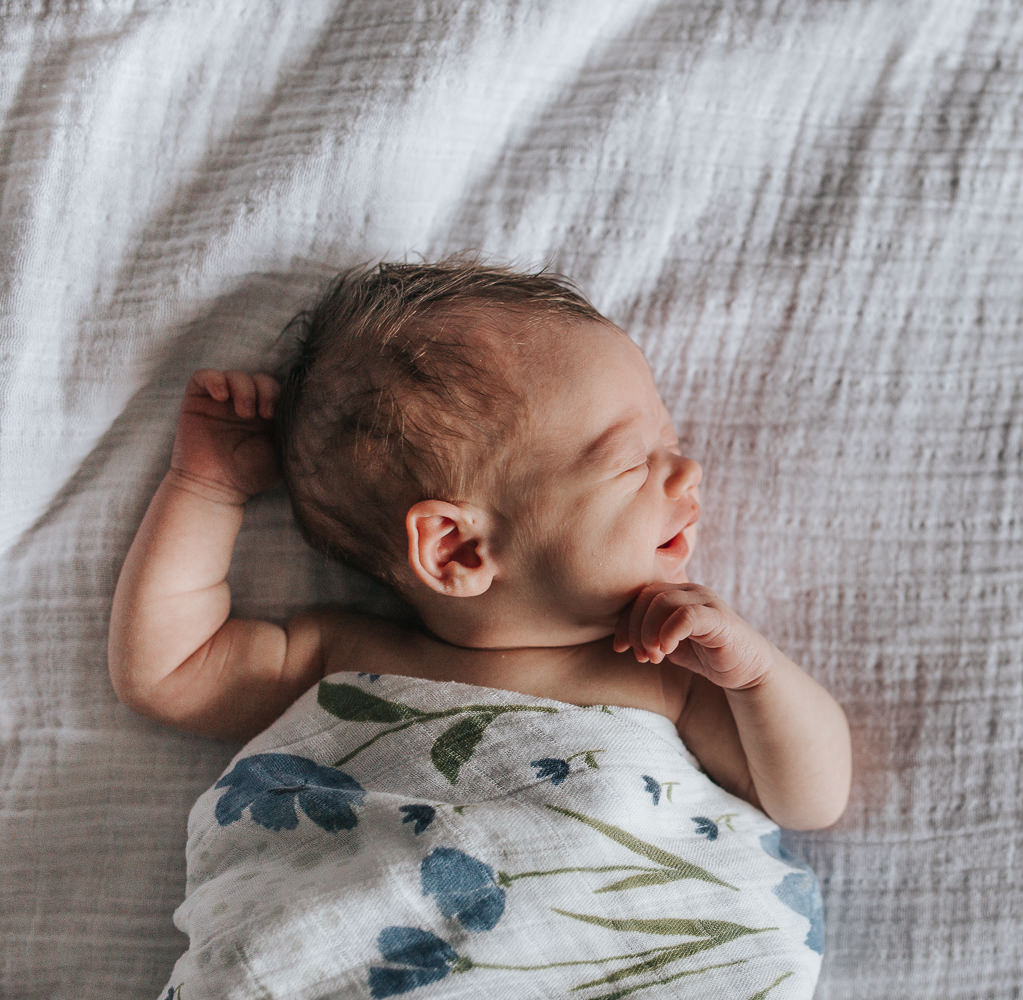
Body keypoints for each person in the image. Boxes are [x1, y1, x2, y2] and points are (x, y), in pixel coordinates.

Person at [109, 258, 849, 998]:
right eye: (633, 462)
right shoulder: (342, 659)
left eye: (671, 441)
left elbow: (808, 798)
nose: (685, 472)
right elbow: (171, 671)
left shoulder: (665, 670)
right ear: (457, 548)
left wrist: (756, 676)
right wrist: (206, 487)